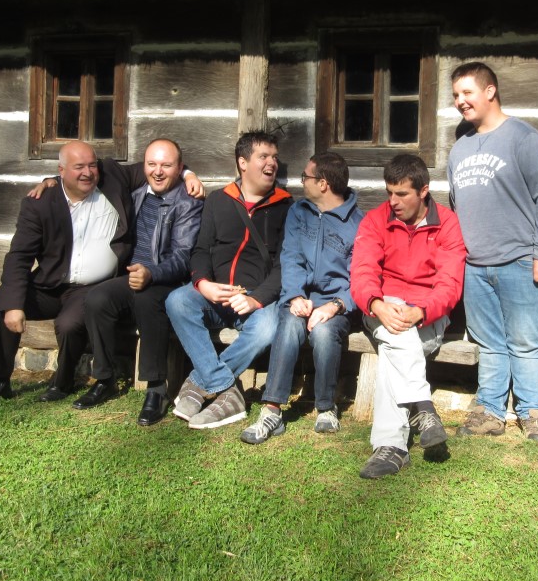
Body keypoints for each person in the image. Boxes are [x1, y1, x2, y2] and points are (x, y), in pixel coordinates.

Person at [0, 142, 141, 413]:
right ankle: (0, 380)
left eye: (92, 165)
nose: (88, 172)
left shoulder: (111, 176)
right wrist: (14, 305)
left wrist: (189, 174)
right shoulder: (39, 203)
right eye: (79, 167)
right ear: (61, 170)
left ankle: (63, 382)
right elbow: (19, 256)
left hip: (91, 287)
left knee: (69, 324)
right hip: (51, 282)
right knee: (5, 301)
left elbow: (158, 166)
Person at [448, 62, 538, 441]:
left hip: (520, 260)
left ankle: (532, 414)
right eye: (456, 95)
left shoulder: (524, 138)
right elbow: (456, 204)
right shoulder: (460, 148)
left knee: (525, 342)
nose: (460, 101)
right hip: (475, 265)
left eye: (467, 92)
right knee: (489, 343)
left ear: (490, 91)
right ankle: (490, 411)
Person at [166, 130, 293, 430]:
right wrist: (204, 284)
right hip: (216, 295)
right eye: (263, 156)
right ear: (243, 163)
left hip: (256, 299)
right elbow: (200, 250)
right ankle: (227, 390)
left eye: (274, 157)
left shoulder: (287, 207)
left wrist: (256, 299)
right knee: (177, 301)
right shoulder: (218, 200)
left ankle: (198, 384)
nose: (272, 163)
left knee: (267, 328)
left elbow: (285, 264)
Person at [350, 154, 466, 479]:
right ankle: (423, 407)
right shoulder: (375, 220)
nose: (393, 202)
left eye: (402, 194)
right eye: (389, 193)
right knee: (397, 334)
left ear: (423, 191)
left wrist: (420, 311)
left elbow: (449, 283)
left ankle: (393, 448)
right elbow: (362, 271)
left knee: (394, 350)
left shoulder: (447, 224)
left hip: (427, 315)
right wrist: (377, 304)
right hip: (381, 310)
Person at [72, 139, 203, 426]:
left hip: (168, 280)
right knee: (97, 299)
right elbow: (82, 170)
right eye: (151, 164)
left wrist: (151, 273)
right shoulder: (136, 194)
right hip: (132, 275)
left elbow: (183, 257)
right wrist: (49, 181)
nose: (158, 171)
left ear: (179, 168)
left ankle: (156, 389)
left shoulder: (189, 202)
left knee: (147, 299)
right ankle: (105, 379)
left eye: (166, 165)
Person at [240, 151, 364, 444]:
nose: (301, 181)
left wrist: (335, 305)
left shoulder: (359, 223)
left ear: (323, 184)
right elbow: (291, 257)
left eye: (305, 177)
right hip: (300, 297)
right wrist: (295, 295)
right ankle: (272, 410)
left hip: (336, 304)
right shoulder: (299, 212)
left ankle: (326, 407)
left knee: (324, 333)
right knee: (289, 325)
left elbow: (361, 276)